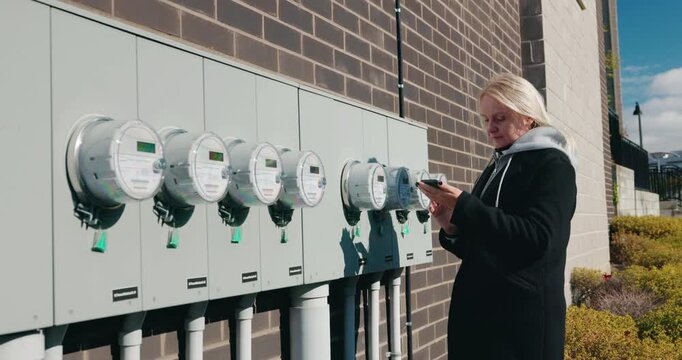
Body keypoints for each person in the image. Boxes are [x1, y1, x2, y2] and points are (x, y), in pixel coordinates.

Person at [417, 73, 577, 360]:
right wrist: (452, 226)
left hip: (519, 329)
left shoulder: (553, 164)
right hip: (483, 323)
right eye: (486, 119)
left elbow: (540, 239)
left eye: (500, 118)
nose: (490, 128)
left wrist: (465, 205)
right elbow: (485, 244)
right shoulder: (498, 165)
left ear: (527, 117)